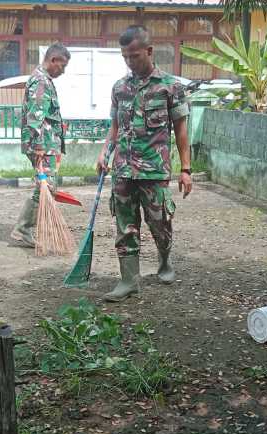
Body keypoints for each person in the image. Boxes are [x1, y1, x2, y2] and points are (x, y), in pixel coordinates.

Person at [96, 25, 192, 302]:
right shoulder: (120, 88)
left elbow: (182, 131)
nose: (129, 61)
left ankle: (164, 260)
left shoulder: (170, 87)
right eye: (125, 56)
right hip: (123, 170)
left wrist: (186, 170)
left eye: (134, 56)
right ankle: (128, 280)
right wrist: (105, 152)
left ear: (149, 51)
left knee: (160, 223)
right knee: (125, 227)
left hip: (154, 169)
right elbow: (114, 126)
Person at [11, 43, 71, 248]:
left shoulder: (42, 79)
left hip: (46, 144)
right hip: (42, 146)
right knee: (44, 187)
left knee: (47, 186)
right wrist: (38, 146)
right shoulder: (41, 81)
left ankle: (30, 227)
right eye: (62, 66)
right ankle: (23, 230)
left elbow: (44, 114)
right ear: (53, 60)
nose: (62, 71)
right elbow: (36, 114)